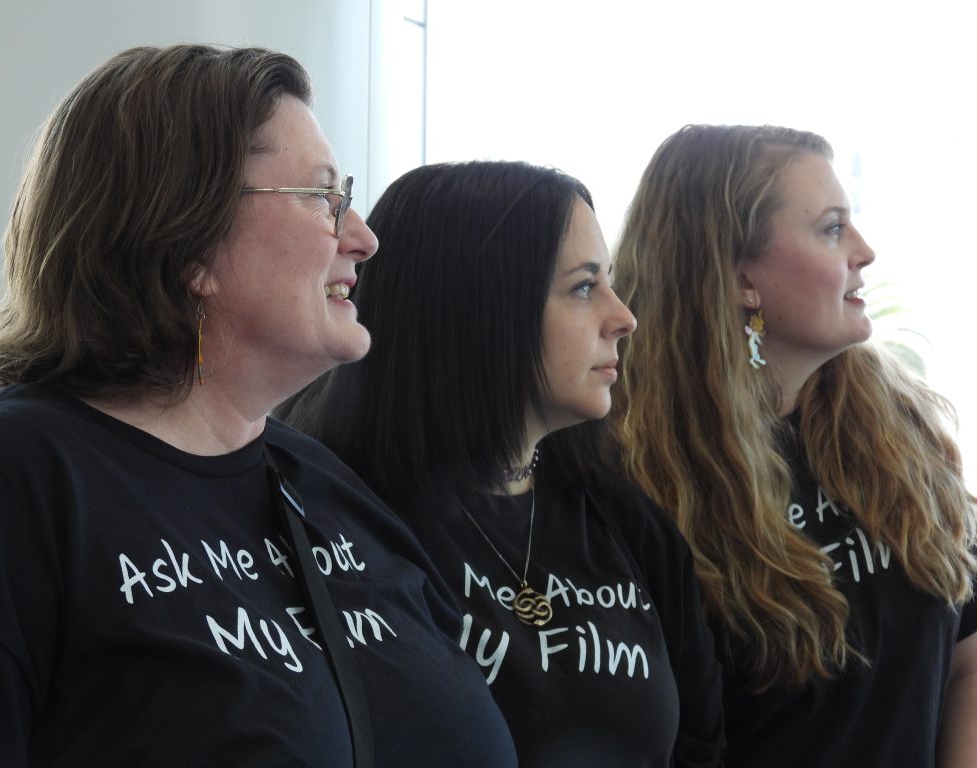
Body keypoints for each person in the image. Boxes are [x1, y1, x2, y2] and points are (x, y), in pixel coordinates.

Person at [0, 45, 517, 767]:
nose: (363, 238)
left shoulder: (326, 485)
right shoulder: (19, 475)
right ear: (187, 239)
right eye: (322, 198)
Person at [278, 160, 725, 767]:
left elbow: (700, 748)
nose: (624, 318)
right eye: (584, 288)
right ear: (482, 309)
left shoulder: (630, 525)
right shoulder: (331, 525)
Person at [610, 123, 977, 767]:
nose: (864, 251)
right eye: (833, 229)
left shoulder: (896, 428)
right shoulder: (633, 474)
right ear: (739, 274)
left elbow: (968, 659)